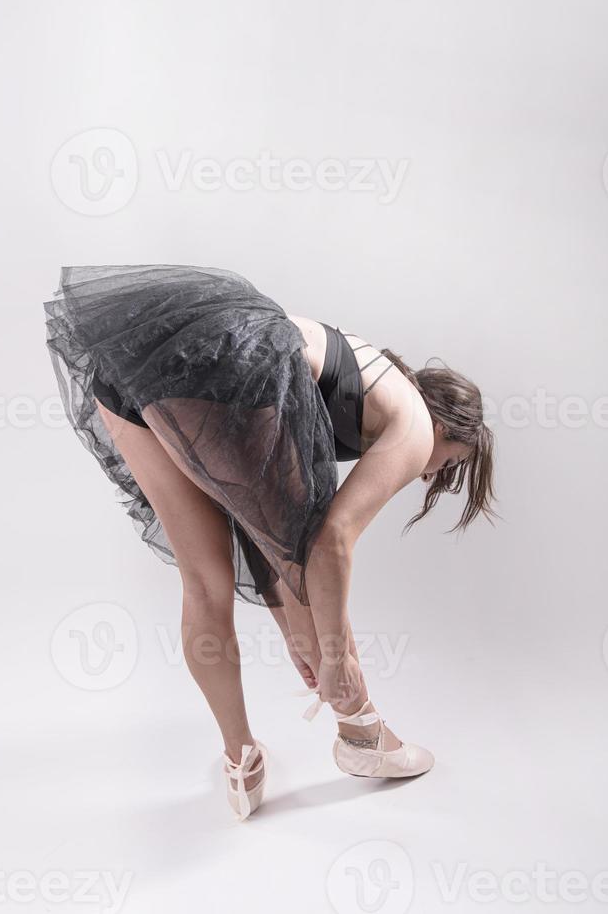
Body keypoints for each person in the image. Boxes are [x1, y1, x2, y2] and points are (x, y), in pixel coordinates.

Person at [43, 263, 498, 820]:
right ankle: (363, 735)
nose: (429, 476)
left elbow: (267, 530)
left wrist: (296, 638)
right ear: (447, 427)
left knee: (204, 582)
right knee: (308, 555)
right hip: (231, 348)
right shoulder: (414, 423)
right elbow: (327, 545)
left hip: (128, 363)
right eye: (447, 465)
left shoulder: (360, 382)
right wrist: (331, 657)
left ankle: (241, 761)